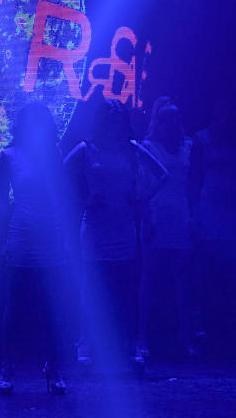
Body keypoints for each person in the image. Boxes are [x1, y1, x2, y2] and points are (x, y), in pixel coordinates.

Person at [64, 98, 166, 373]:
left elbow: (161, 173)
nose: (114, 123)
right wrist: (84, 199)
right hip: (96, 226)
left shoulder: (131, 148)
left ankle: (128, 346)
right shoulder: (86, 149)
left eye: (118, 118)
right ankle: (85, 343)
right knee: (93, 287)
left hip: (123, 226)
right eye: (110, 118)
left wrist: (140, 199)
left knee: (125, 288)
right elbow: (59, 173)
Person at [0, 103, 71, 394]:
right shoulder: (9, 156)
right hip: (21, 232)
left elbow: (62, 200)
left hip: (50, 233)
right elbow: (3, 205)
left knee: (51, 305)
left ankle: (53, 366)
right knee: (14, 303)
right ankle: (7, 365)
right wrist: (3, 240)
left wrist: (65, 239)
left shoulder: (55, 156)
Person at [188, 96, 236, 351]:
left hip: (233, 207)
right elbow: (194, 176)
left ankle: (234, 321)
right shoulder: (201, 139)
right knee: (205, 266)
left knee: (232, 268)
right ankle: (201, 321)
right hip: (209, 206)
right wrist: (194, 212)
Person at [137, 98, 194, 362]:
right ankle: (142, 338)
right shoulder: (148, 147)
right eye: (167, 119)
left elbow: (192, 183)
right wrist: (146, 219)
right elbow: (143, 186)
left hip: (180, 213)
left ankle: (186, 335)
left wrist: (193, 216)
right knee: (149, 279)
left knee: (183, 279)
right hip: (157, 212)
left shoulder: (187, 146)